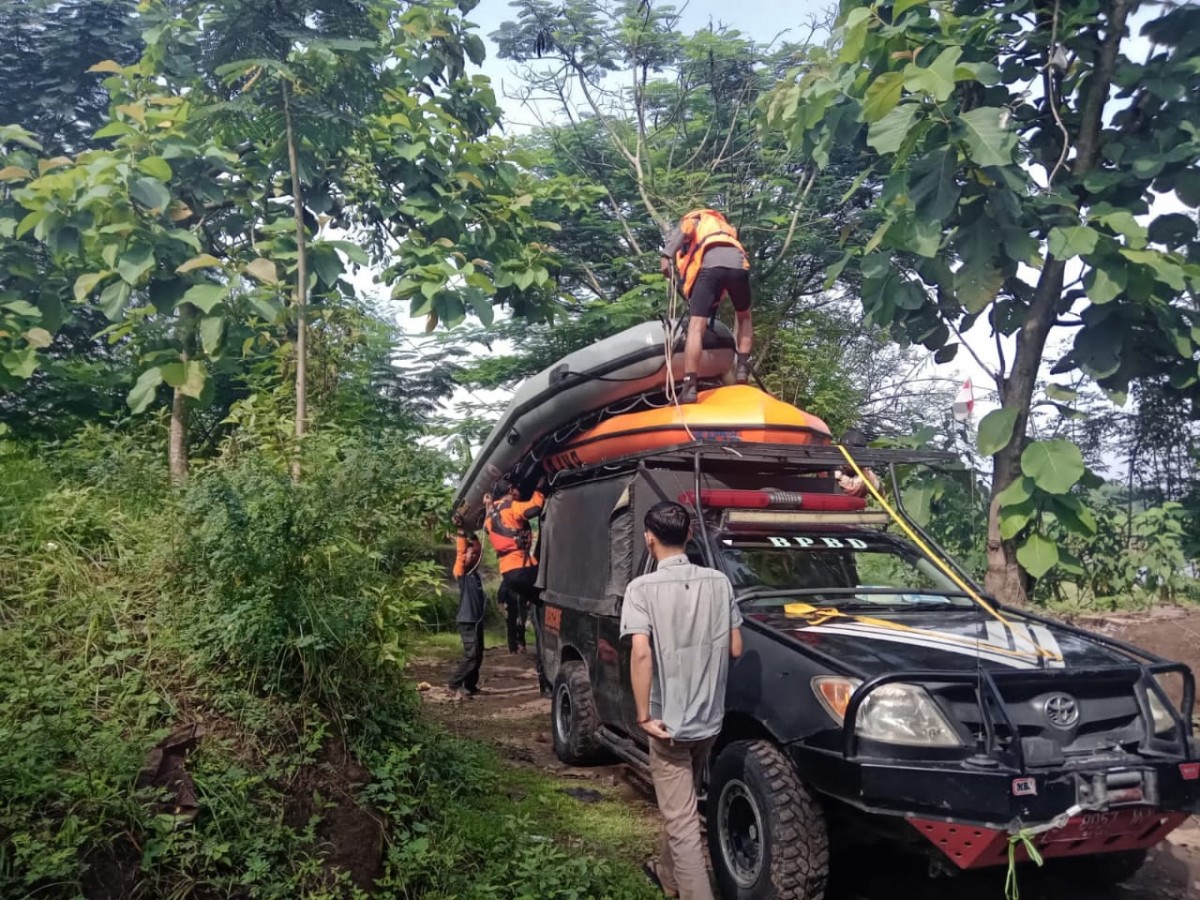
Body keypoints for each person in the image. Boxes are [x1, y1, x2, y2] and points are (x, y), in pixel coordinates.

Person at [620, 501, 744, 900]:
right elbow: (736, 648)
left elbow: (641, 653)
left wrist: (642, 716)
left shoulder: (641, 589)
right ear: (689, 535)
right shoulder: (719, 582)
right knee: (682, 805)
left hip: (668, 723)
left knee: (683, 823)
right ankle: (667, 876)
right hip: (709, 718)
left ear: (648, 538)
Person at [660, 208, 753, 404]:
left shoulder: (696, 218)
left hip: (711, 266)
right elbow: (722, 275)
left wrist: (666, 255)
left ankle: (689, 386)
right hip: (738, 267)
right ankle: (742, 371)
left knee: (696, 326)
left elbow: (685, 231)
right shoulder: (725, 228)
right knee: (744, 316)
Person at [484, 478, 551, 694]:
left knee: (541, 613)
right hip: (521, 569)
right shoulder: (511, 507)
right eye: (516, 489)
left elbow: (489, 527)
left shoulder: (492, 514)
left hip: (509, 571)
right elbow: (533, 509)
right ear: (511, 491)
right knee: (546, 608)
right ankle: (546, 679)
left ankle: (545, 679)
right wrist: (541, 487)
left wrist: (488, 506)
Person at [447, 514, 486, 699]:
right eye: (472, 554)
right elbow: (461, 553)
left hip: (476, 621)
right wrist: (461, 531)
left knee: (478, 656)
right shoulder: (461, 573)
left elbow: (477, 547)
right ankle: (454, 684)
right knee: (471, 655)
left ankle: (470, 685)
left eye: (476, 554)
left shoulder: (475, 574)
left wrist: (472, 532)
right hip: (467, 621)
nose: (475, 555)